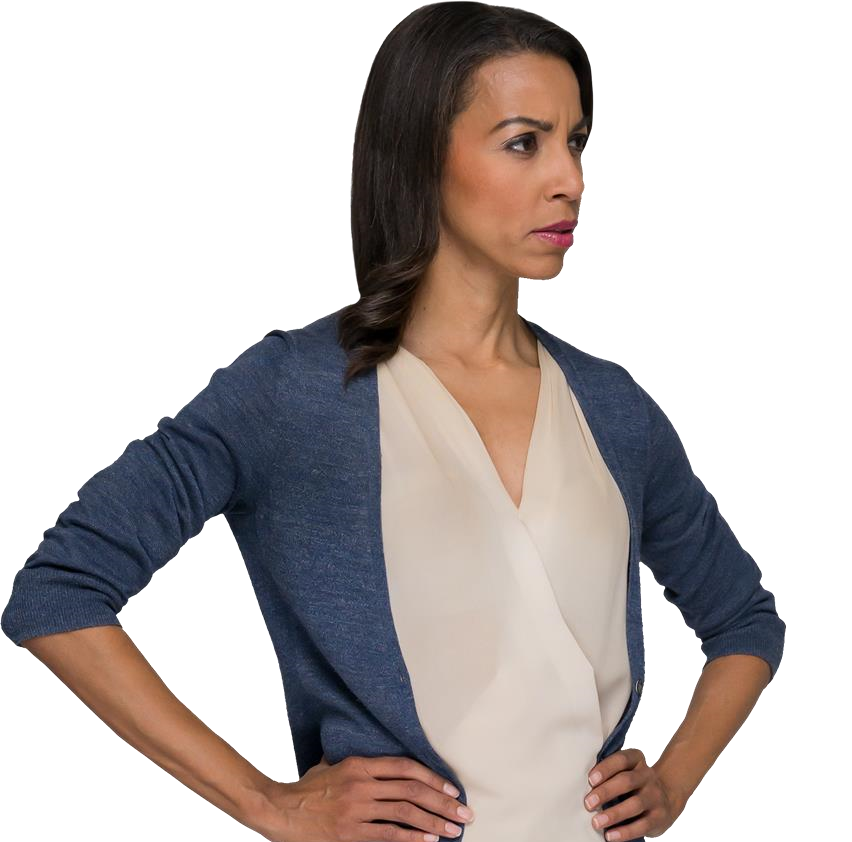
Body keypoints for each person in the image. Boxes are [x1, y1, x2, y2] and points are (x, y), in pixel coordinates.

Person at [2, 4, 785, 841]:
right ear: (420, 154)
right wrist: (262, 801)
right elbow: (58, 591)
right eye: (524, 142)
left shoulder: (612, 404)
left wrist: (673, 781)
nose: (571, 179)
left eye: (577, 142)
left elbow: (744, 622)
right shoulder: (296, 391)